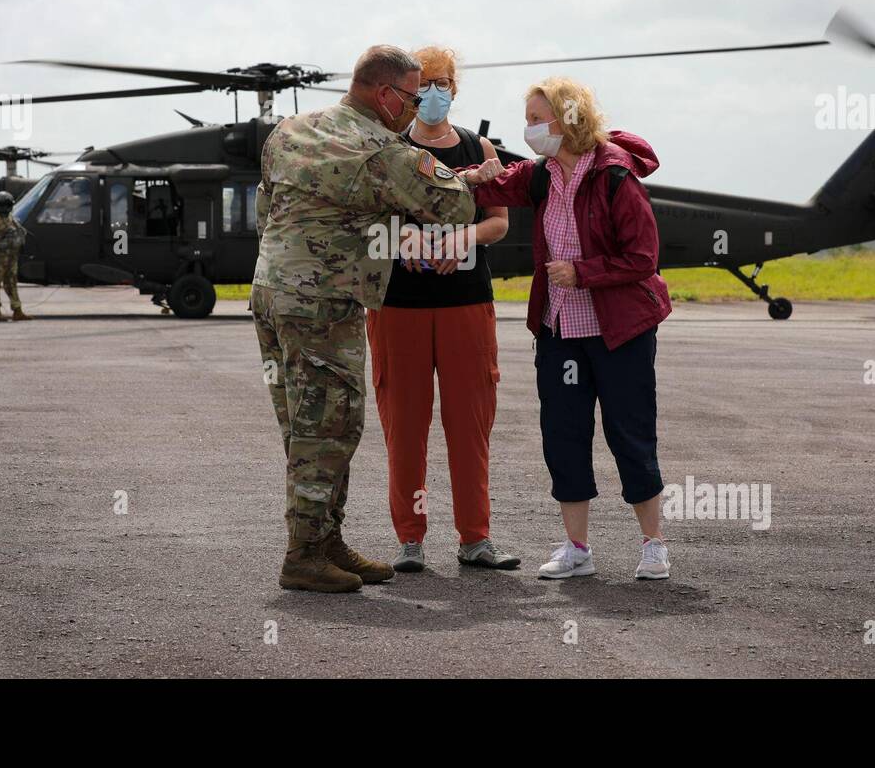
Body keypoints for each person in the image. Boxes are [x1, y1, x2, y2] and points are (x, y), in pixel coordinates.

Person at [252, 44, 476, 594]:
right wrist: (474, 175)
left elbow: (265, 209)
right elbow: (455, 207)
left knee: (306, 425)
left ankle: (326, 541)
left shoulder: (289, 131)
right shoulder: (377, 148)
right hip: (325, 304)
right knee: (328, 428)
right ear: (385, 94)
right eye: (413, 94)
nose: (417, 104)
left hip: (272, 293)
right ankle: (304, 554)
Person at [460, 76, 674, 582]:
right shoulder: (541, 175)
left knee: (630, 433)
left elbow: (643, 257)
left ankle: (653, 544)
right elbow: (492, 183)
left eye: (537, 118)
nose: (530, 128)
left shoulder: (616, 175)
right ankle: (577, 549)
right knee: (564, 435)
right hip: (561, 332)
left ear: (568, 119)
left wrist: (583, 272)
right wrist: (471, 173)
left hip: (619, 331)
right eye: (528, 118)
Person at [364, 46, 519, 573]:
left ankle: (475, 538)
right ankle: (410, 540)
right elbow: (367, 223)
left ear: (455, 88)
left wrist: (461, 240)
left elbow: (498, 221)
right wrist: (406, 240)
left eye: (443, 82)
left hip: (465, 303)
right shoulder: (385, 149)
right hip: (398, 306)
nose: (433, 93)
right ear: (407, 90)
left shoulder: (482, 149)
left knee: (469, 423)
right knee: (404, 426)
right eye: (424, 83)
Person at [0, 191, 31, 322]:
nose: (5, 208)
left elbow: (18, 231)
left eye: (7, 205)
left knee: (11, 283)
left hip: (11, 257)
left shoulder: (10, 217)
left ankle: (17, 311)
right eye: (3, 205)